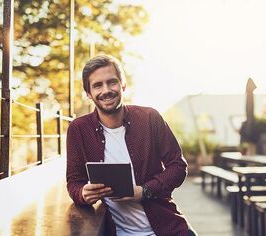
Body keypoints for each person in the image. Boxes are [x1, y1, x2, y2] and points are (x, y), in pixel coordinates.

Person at [66, 54, 196, 236]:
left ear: (123, 84)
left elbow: (178, 166)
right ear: (88, 93)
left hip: (168, 228)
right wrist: (83, 194)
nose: (106, 90)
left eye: (111, 82)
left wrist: (144, 191)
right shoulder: (78, 130)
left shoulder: (150, 118)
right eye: (97, 85)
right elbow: (74, 182)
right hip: (118, 232)